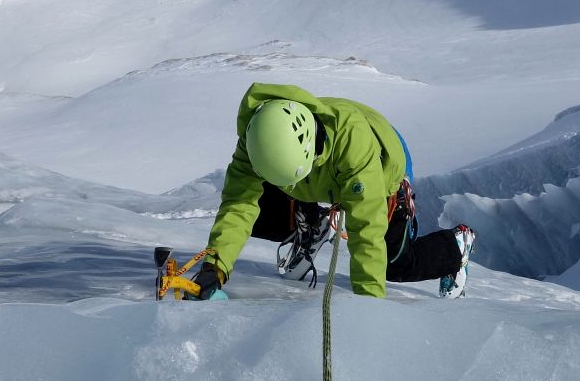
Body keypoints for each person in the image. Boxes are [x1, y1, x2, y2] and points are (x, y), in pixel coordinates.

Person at [194, 83, 475, 299]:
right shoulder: (256, 142)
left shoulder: (353, 147)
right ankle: (315, 222)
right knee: (261, 213)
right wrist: (214, 268)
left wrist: (369, 307)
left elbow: (366, 230)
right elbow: (239, 205)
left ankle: (456, 246)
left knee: (394, 263)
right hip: (315, 174)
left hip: (384, 162)